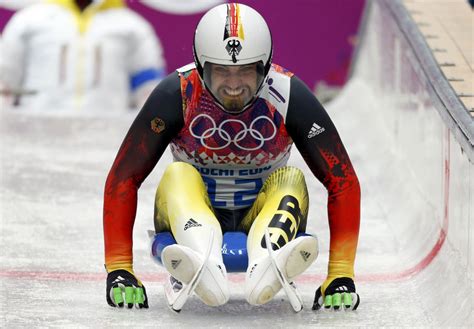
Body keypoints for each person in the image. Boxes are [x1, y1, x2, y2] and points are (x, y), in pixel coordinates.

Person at [103, 3, 360, 311]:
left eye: (247, 71)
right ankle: (205, 258)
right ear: (201, 67)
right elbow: (124, 176)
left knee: (291, 179)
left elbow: (342, 180)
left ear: (264, 67)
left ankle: (263, 260)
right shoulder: (177, 94)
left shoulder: (290, 94)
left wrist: (340, 274)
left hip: (261, 220)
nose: (235, 86)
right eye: (222, 71)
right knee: (177, 175)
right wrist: (120, 269)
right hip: (192, 220)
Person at [0, 0, 165, 112]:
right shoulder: (28, 20)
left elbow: (150, 92)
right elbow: (4, 84)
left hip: (107, 144)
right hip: (34, 140)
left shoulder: (133, 27)